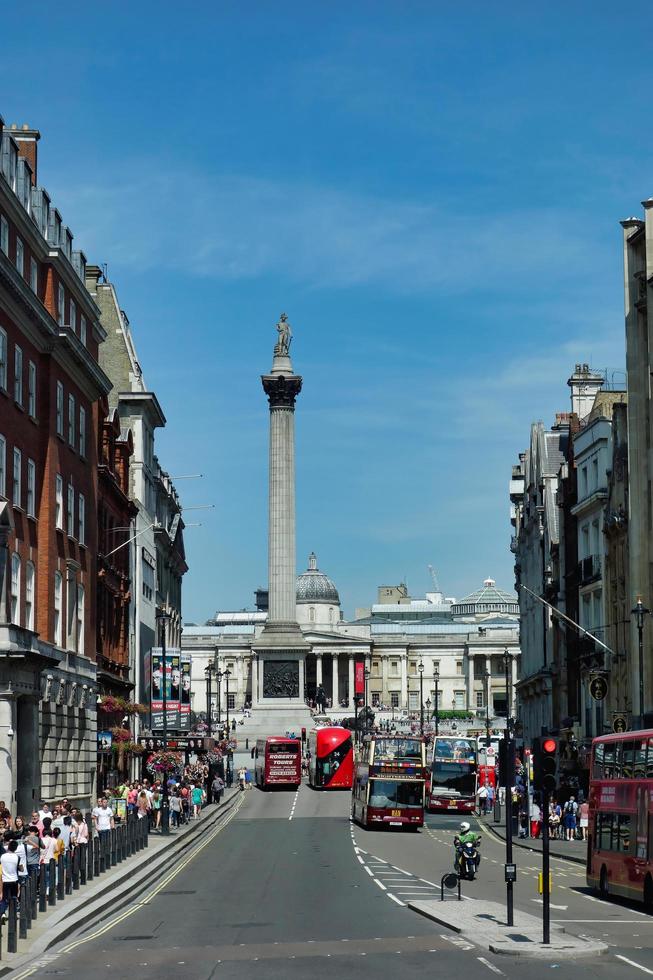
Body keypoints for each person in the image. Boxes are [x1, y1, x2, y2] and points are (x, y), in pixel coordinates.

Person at [0, 840, 22, 921]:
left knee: (4, 898)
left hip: (4, 880)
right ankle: (13, 914)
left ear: (8, 847)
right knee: (13, 897)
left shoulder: (2, 856)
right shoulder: (17, 857)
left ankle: (2, 913)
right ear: (15, 848)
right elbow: (20, 868)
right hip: (14, 880)